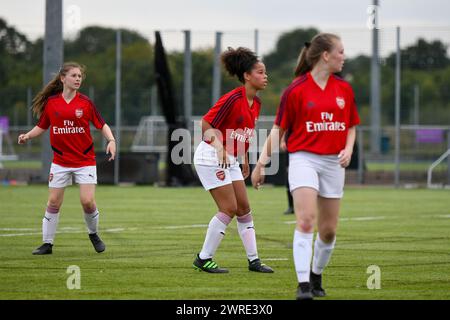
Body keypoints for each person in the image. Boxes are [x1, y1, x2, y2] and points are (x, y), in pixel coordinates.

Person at [251, 33, 360, 299]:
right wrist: (261, 164)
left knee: (329, 230)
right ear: (326, 55)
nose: (343, 57)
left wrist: (348, 148)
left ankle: (316, 274)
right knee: (306, 219)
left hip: (334, 162)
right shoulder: (296, 90)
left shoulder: (344, 89)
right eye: (341, 52)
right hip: (304, 159)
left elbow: (351, 126)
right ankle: (303, 286)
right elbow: (278, 131)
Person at [18, 62, 116, 255]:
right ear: (63, 79)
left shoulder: (85, 103)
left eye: (80, 76)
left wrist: (111, 140)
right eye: (74, 75)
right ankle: (47, 244)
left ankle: (93, 234)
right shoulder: (52, 103)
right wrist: (27, 135)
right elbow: (43, 125)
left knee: (87, 201)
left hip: (84, 160)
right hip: (60, 162)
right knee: (53, 202)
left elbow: (101, 124)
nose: (78, 79)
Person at [192, 47, 273, 274]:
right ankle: (203, 258)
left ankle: (254, 260)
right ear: (247, 76)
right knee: (228, 208)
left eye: (265, 72)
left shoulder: (256, 104)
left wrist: (244, 158)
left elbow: (243, 133)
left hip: (231, 159)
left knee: (244, 208)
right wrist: (219, 149)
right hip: (210, 156)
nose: (265, 76)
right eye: (260, 72)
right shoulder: (232, 99)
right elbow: (206, 125)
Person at [280, 133, 294, 215]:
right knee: (289, 179)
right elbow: (284, 129)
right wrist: (282, 141)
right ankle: (291, 206)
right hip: (291, 148)